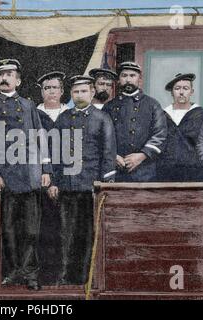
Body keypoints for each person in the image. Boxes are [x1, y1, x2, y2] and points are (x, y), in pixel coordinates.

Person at [0, 58, 51, 290]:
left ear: (18, 80)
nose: (4, 78)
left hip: (30, 174)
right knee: (9, 229)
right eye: (1, 74)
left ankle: (30, 273)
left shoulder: (28, 104)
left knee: (32, 229)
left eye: (9, 74)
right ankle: (13, 271)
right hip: (7, 176)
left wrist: (46, 168)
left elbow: (40, 135)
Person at [48, 75, 116, 285]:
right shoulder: (63, 118)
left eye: (84, 91)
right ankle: (66, 277)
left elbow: (109, 153)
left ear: (92, 92)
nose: (80, 95)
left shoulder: (102, 118)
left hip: (91, 186)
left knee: (87, 233)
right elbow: (54, 152)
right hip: (67, 186)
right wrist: (54, 182)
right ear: (70, 94)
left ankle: (87, 278)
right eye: (76, 92)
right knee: (65, 232)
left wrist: (105, 185)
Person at [103, 61, 167, 182]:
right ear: (118, 80)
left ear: (140, 79)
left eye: (132, 76)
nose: (128, 80)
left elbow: (160, 134)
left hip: (145, 170)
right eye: (124, 75)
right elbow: (102, 136)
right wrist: (113, 156)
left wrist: (142, 155)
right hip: (116, 168)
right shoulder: (109, 106)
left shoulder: (152, 104)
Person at [35, 71, 68, 285]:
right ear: (41, 91)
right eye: (47, 88)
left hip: (67, 179)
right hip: (40, 180)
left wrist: (59, 181)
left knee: (65, 228)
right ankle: (44, 274)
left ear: (62, 91)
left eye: (55, 87)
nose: (51, 91)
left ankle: (63, 274)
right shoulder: (34, 114)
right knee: (42, 229)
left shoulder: (71, 114)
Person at [158, 73, 203, 181]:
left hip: (196, 171)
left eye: (186, 88)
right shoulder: (162, 115)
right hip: (166, 171)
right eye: (177, 88)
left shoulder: (201, 114)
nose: (181, 92)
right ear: (172, 92)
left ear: (191, 92)